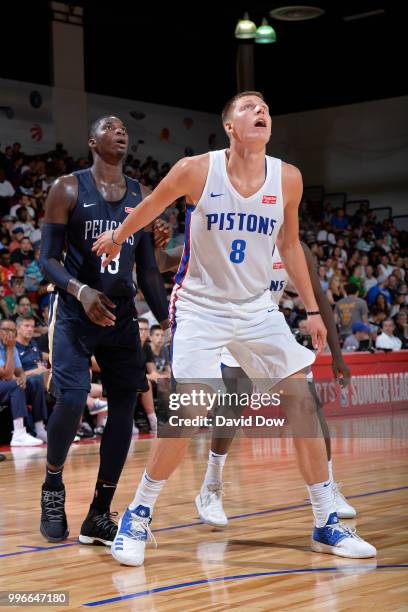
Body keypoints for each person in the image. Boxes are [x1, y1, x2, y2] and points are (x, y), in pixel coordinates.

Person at [94, 91, 375, 564]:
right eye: (249, 107)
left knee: (302, 400)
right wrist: (119, 237)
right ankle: (137, 515)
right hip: (201, 306)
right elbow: (151, 204)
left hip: (257, 310)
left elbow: (289, 244)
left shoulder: (287, 178)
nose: (261, 111)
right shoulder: (197, 170)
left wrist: (309, 309)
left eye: (264, 107)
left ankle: (326, 521)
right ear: (229, 125)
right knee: (191, 412)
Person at [154, 233, 356, 524]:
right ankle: (211, 485)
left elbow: (319, 300)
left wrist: (338, 355)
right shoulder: (227, 231)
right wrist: (154, 243)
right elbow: (162, 262)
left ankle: (329, 487)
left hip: (264, 323)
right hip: (225, 322)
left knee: (308, 401)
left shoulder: (295, 248)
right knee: (235, 398)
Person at [38, 115, 169, 544]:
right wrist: (81, 292)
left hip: (123, 315)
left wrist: (166, 319)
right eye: (109, 127)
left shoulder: (142, 195)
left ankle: (99, 512)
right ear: (92, 141)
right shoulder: (68, 188)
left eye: (123, 128)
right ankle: (53, 486)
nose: (120, 130)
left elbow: (150, 271)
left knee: (123, 410)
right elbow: (47, 260)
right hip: (77, 311)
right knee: (73, 397)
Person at [0, 319, 47, 446]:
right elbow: (6, 374)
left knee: (35, 383)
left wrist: (23, 378)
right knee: (16, 386)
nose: (9, 333)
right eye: (5, 330)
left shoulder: (12, 347)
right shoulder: (10, 347)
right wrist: (10, 349)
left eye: (12, 330)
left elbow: (19, 372)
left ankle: (40, 429)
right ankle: (19, 434)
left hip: (6, 386)